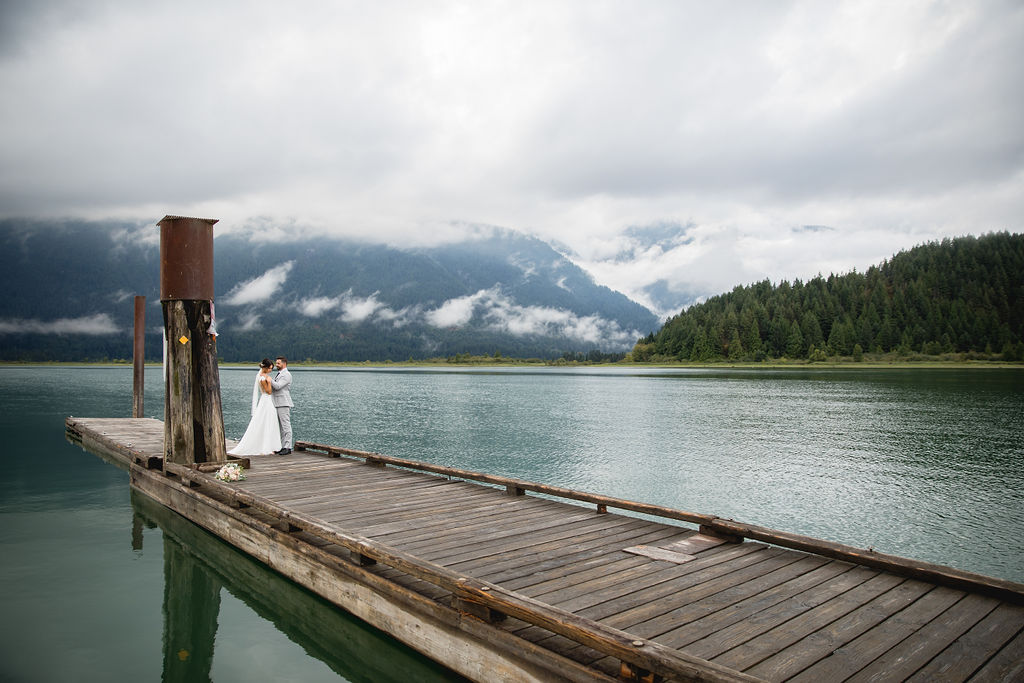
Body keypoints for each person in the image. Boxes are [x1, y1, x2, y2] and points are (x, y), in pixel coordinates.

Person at [228, 359, 282, 456]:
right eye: (270, 368)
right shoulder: (262, 378)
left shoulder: (261, 376)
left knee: (267, 421)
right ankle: (267, 446)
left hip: (266, 400)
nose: (271, 370)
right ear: (265, 368)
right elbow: (269, 391)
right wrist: (269, 381)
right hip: (267, 400)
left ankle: (269, 445)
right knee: (268, 421)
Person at [270, 355, 294, 455]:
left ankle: (287, 447)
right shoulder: (279, 374)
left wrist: (268, 378)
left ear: (284, 364)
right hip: (277, 402)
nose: (276, 365)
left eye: (278, 363)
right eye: (276, 363)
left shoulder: (287, 375)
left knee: (286, 426)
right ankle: (281, 446)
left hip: (283, 403)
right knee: (279, 427)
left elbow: (278, 386)